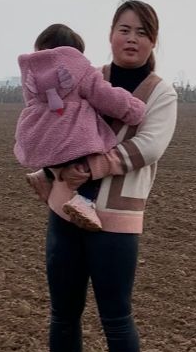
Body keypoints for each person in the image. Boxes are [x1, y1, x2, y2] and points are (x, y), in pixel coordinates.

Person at [26, 0, 178, 352]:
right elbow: (52, 123)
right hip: (66, 210)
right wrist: (56, 171)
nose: (132, 38)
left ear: (153, 41)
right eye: (124, 29)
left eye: (142, 32)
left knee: (116, 317)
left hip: (116, 218)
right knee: (62, 314)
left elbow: (149, 146)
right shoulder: (82, 74)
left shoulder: (160, 93)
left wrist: (90, 167)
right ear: (110, 34)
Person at [15, 23, 147, 231]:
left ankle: (45, 174)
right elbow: (105, 96)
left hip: (40, 136)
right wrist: (133, 109)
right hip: (71, 136)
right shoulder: (80, 69)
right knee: (91, 156)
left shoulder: (31, 73)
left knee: (57, 151)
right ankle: (85, 201)